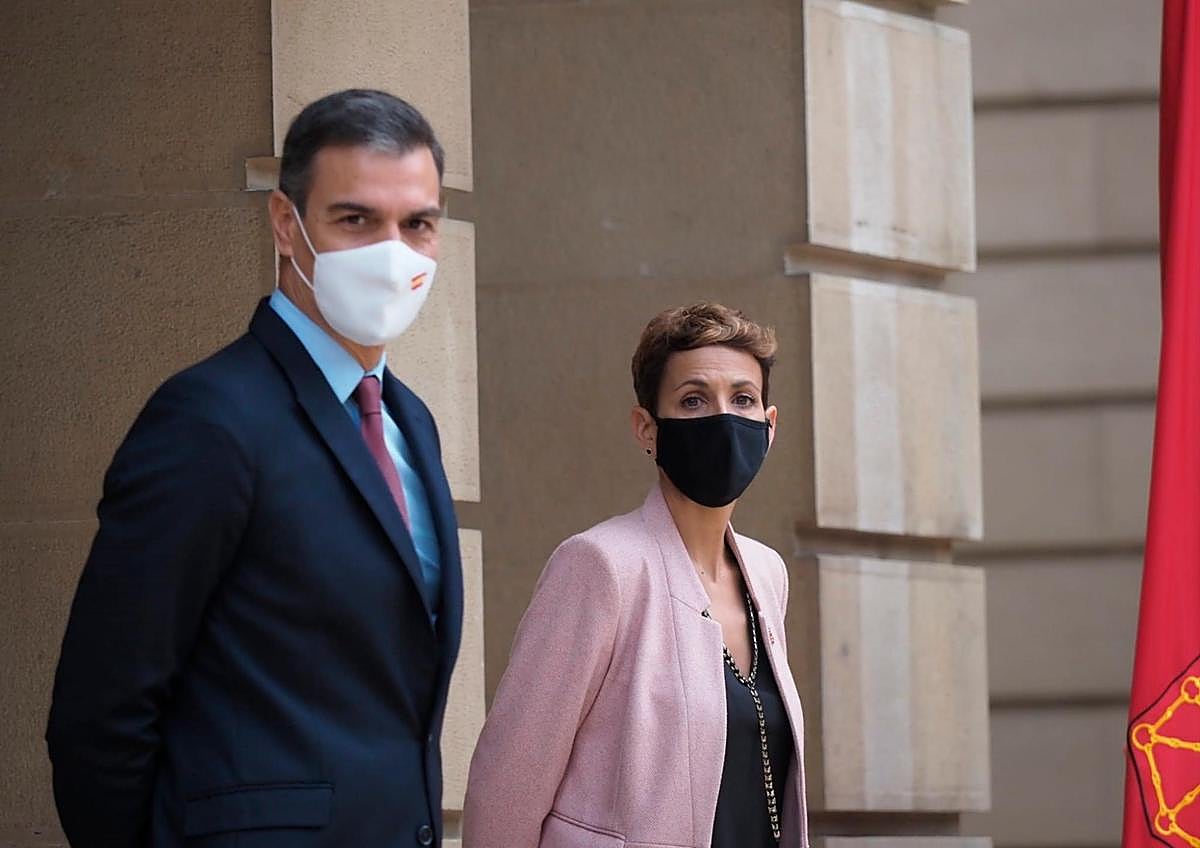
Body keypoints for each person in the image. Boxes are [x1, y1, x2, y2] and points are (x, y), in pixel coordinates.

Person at [46, 89, 462, 847]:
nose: (392, 251)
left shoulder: (413, 422)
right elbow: (102, 711)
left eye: (417, 224)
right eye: (355, 219)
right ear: (285, 223)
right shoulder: (208, 418)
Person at [463, 303, 809, 847]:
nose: (722, 418)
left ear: (769, 426)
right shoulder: (599, 566)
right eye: (693, 400)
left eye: (742, 399)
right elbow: (507, 787)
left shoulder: (767, 574)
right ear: (647, 429)